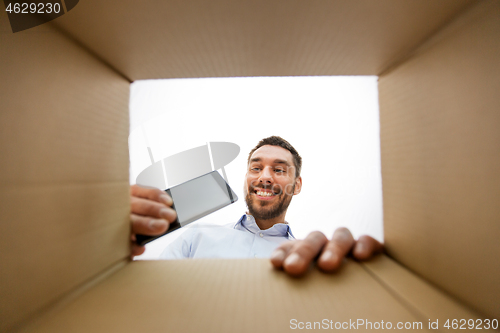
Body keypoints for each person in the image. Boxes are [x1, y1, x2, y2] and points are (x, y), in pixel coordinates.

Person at [130, 136, 383, 276]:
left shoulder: (308, 260)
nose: (264, 176)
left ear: (296, 186)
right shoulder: (197, 238)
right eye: (255, 167)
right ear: (246, 179)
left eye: (279, 169)